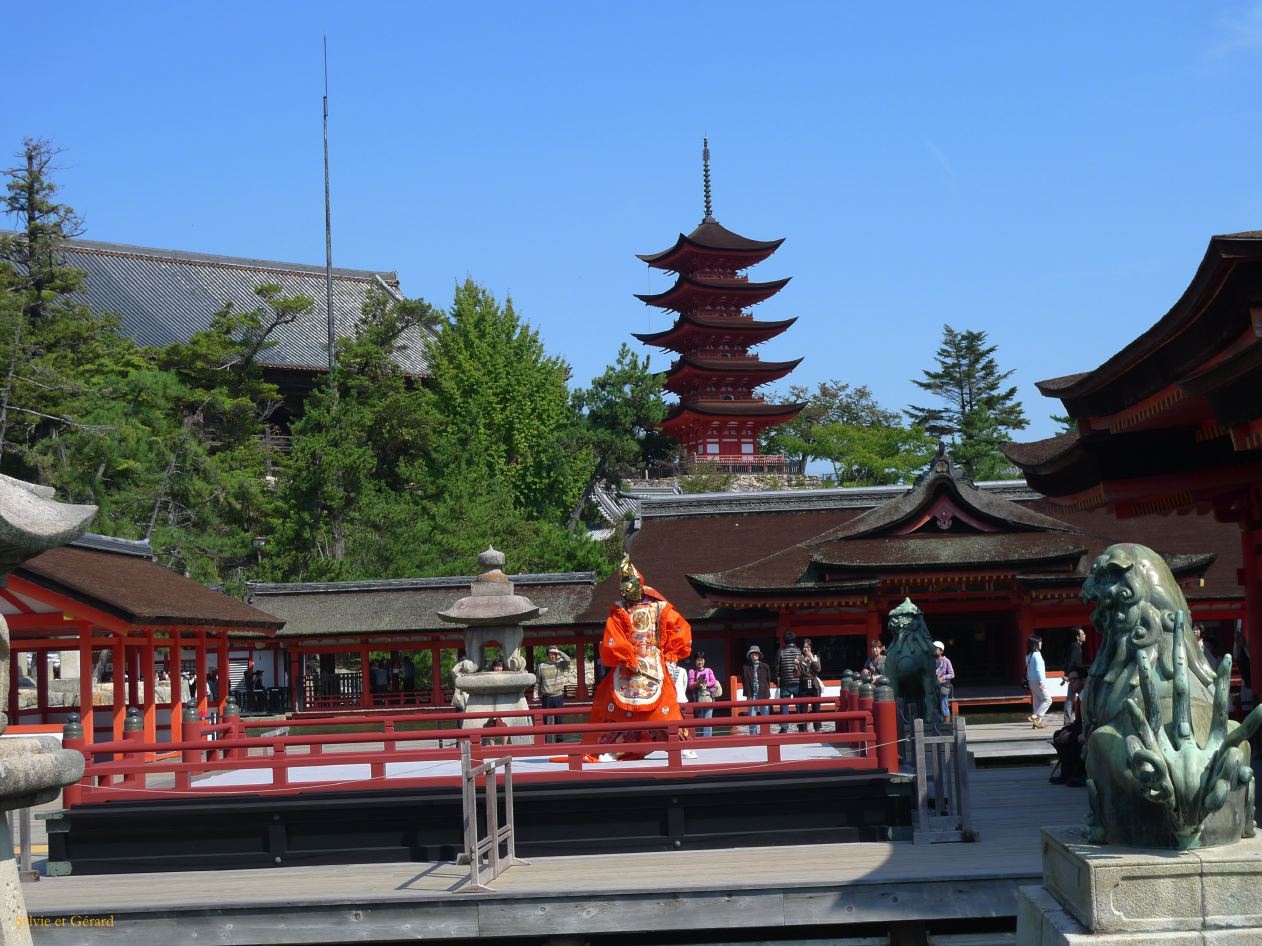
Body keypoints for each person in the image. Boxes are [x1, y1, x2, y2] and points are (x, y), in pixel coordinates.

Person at [584, 556, 691, 761]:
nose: (625, 590)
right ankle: (615, 747)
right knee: (618, 707)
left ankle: (678, 744)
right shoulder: (619, 608)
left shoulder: (659, 607)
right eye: (622, 586)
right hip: (628, 663)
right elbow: (613, 634)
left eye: (628, 584)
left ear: (638, 584)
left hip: (653, 661)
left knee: (665, 705)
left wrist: (672, 651)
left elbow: (679, 627)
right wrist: (625, 654)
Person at [1050, 668, 1087, 786]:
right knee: (1058, 735)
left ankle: (1076, 774)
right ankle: (1067, 773)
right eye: (1069, 680)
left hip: (1089, 730)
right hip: (1081, 727)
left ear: (1083, 680)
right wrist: (1067, 731)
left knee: (1070, 739)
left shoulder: (1087, 697)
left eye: (1074, 679)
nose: (1071, 683)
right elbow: (1079, 721)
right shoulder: (1080, 697)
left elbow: (1087, 722)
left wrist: (1070, 734)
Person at [536, 645, 572, 743]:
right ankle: (547, 741)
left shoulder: (560, 664)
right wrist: (535, 693)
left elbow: (568, 660)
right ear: (547, 655)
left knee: (559, 720)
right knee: (546, 720)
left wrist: (559, 651)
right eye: (551, 654)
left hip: (558, 696)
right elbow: (538, 682)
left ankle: (560, 742)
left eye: (554, 654)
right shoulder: (541, 666)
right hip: (547, 697)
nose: (553, 656)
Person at [773, 631, 805, 733]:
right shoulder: (799, 651)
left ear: (784, 640)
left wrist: (776, 679)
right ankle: (801, 727)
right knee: (798, 705)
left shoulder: (780, 652)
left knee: (784, 705)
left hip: (785, 683)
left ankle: (784, 727)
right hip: (798, 682)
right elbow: (803, 666)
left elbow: (777, 668)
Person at [687, 651, 721, 737]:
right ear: (695, 661)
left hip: (709, 697)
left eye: (702, 660)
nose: (700, 662)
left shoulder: (709, 671)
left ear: (704, 661)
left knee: (708, 719)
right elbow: (690, 685)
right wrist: (697, 683)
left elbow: (713, 682)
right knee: (700, 720)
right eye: (698, 660)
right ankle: (700, 738)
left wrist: (706, 684)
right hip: (698, 698)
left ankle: (707, 739)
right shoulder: (692, 671)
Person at [742, 645, 773, 735]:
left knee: (765, 714)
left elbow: (768, 680)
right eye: (752, 653)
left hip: (763, 692)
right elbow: (744, 681)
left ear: (759, 655)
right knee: (752, 715)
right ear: (749, 655)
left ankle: (765, 733)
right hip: (751, 693)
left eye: (756, 653)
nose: (754, 655)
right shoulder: (745, 667)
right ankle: (753, 734)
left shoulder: (765, 666)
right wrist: (747, 693)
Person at [797, 638, 824, 733]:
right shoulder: (799, 659)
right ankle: (803, 729)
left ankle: (817, 728)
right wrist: (796, 665)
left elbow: (818, 669)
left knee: (816, 707)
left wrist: (812, 659)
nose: (805, 649)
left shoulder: (816, 657)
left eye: (807, 647)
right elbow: (797, 675)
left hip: (814, 684)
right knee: (803, 708)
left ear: (811, 648)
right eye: (804, 647)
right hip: (803, 684)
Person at [1026, 635, 1051, 729]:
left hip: (1031, 681)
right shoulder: (1037, 654)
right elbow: (1039, 670)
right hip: (1038, 680)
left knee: (1037, 701)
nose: (1041, 643)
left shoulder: (1028, 655)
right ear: (1035, 644)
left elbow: (1029, 670)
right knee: (1048, 699)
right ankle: (1035, 715)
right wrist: (1042, 682)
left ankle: (1036, 723)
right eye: (1039, 642)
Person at [934, 641, 955, 723]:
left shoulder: (946, 661)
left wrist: (944, 677)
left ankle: (946, 724)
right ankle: (936, 724)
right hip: (933, 686)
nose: (934, 650)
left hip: (943, 686)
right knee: (934, 704)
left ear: (941, 651)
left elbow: (952, 674)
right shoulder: (930, 661)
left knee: (944, 704)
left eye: (936, 649)